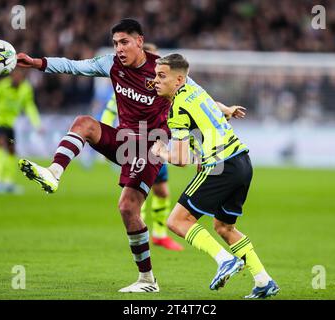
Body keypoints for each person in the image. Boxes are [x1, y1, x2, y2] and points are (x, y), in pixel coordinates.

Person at [15, 18, 242, 293]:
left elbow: (198, 96)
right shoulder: (111, 64)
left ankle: (147, 280)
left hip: (151, 147)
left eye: (124, 42)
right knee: (84, 123)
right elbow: (73, 66)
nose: (119, 49)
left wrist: (225, 109)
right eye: (115, 43)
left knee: (127, 208)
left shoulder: (161, 71)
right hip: (123, 141)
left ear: (139, 41)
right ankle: (53, 173)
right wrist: (37, 63)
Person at [150, 54, 279, 299]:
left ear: (178, 80)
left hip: (221, 166)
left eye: (161, 76)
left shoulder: (177, 108)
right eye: (156, 75)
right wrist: (228, 109)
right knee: (224, 227)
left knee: (177, 221)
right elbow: (213, 103)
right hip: (242, 161)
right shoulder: (194, 88)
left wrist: (161, 151)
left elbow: (180, 159)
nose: (155, 80)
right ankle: (263, 281)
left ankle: (224, 260)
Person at [100, 43, 182, 251]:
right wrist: (107, 139)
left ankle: (160, 235)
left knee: (162, 191)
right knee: (137, 194)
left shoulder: (165, 90)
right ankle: (138, 226)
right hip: (134, 143)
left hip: (157, 144)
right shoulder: (124, 90)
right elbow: (108, 113)